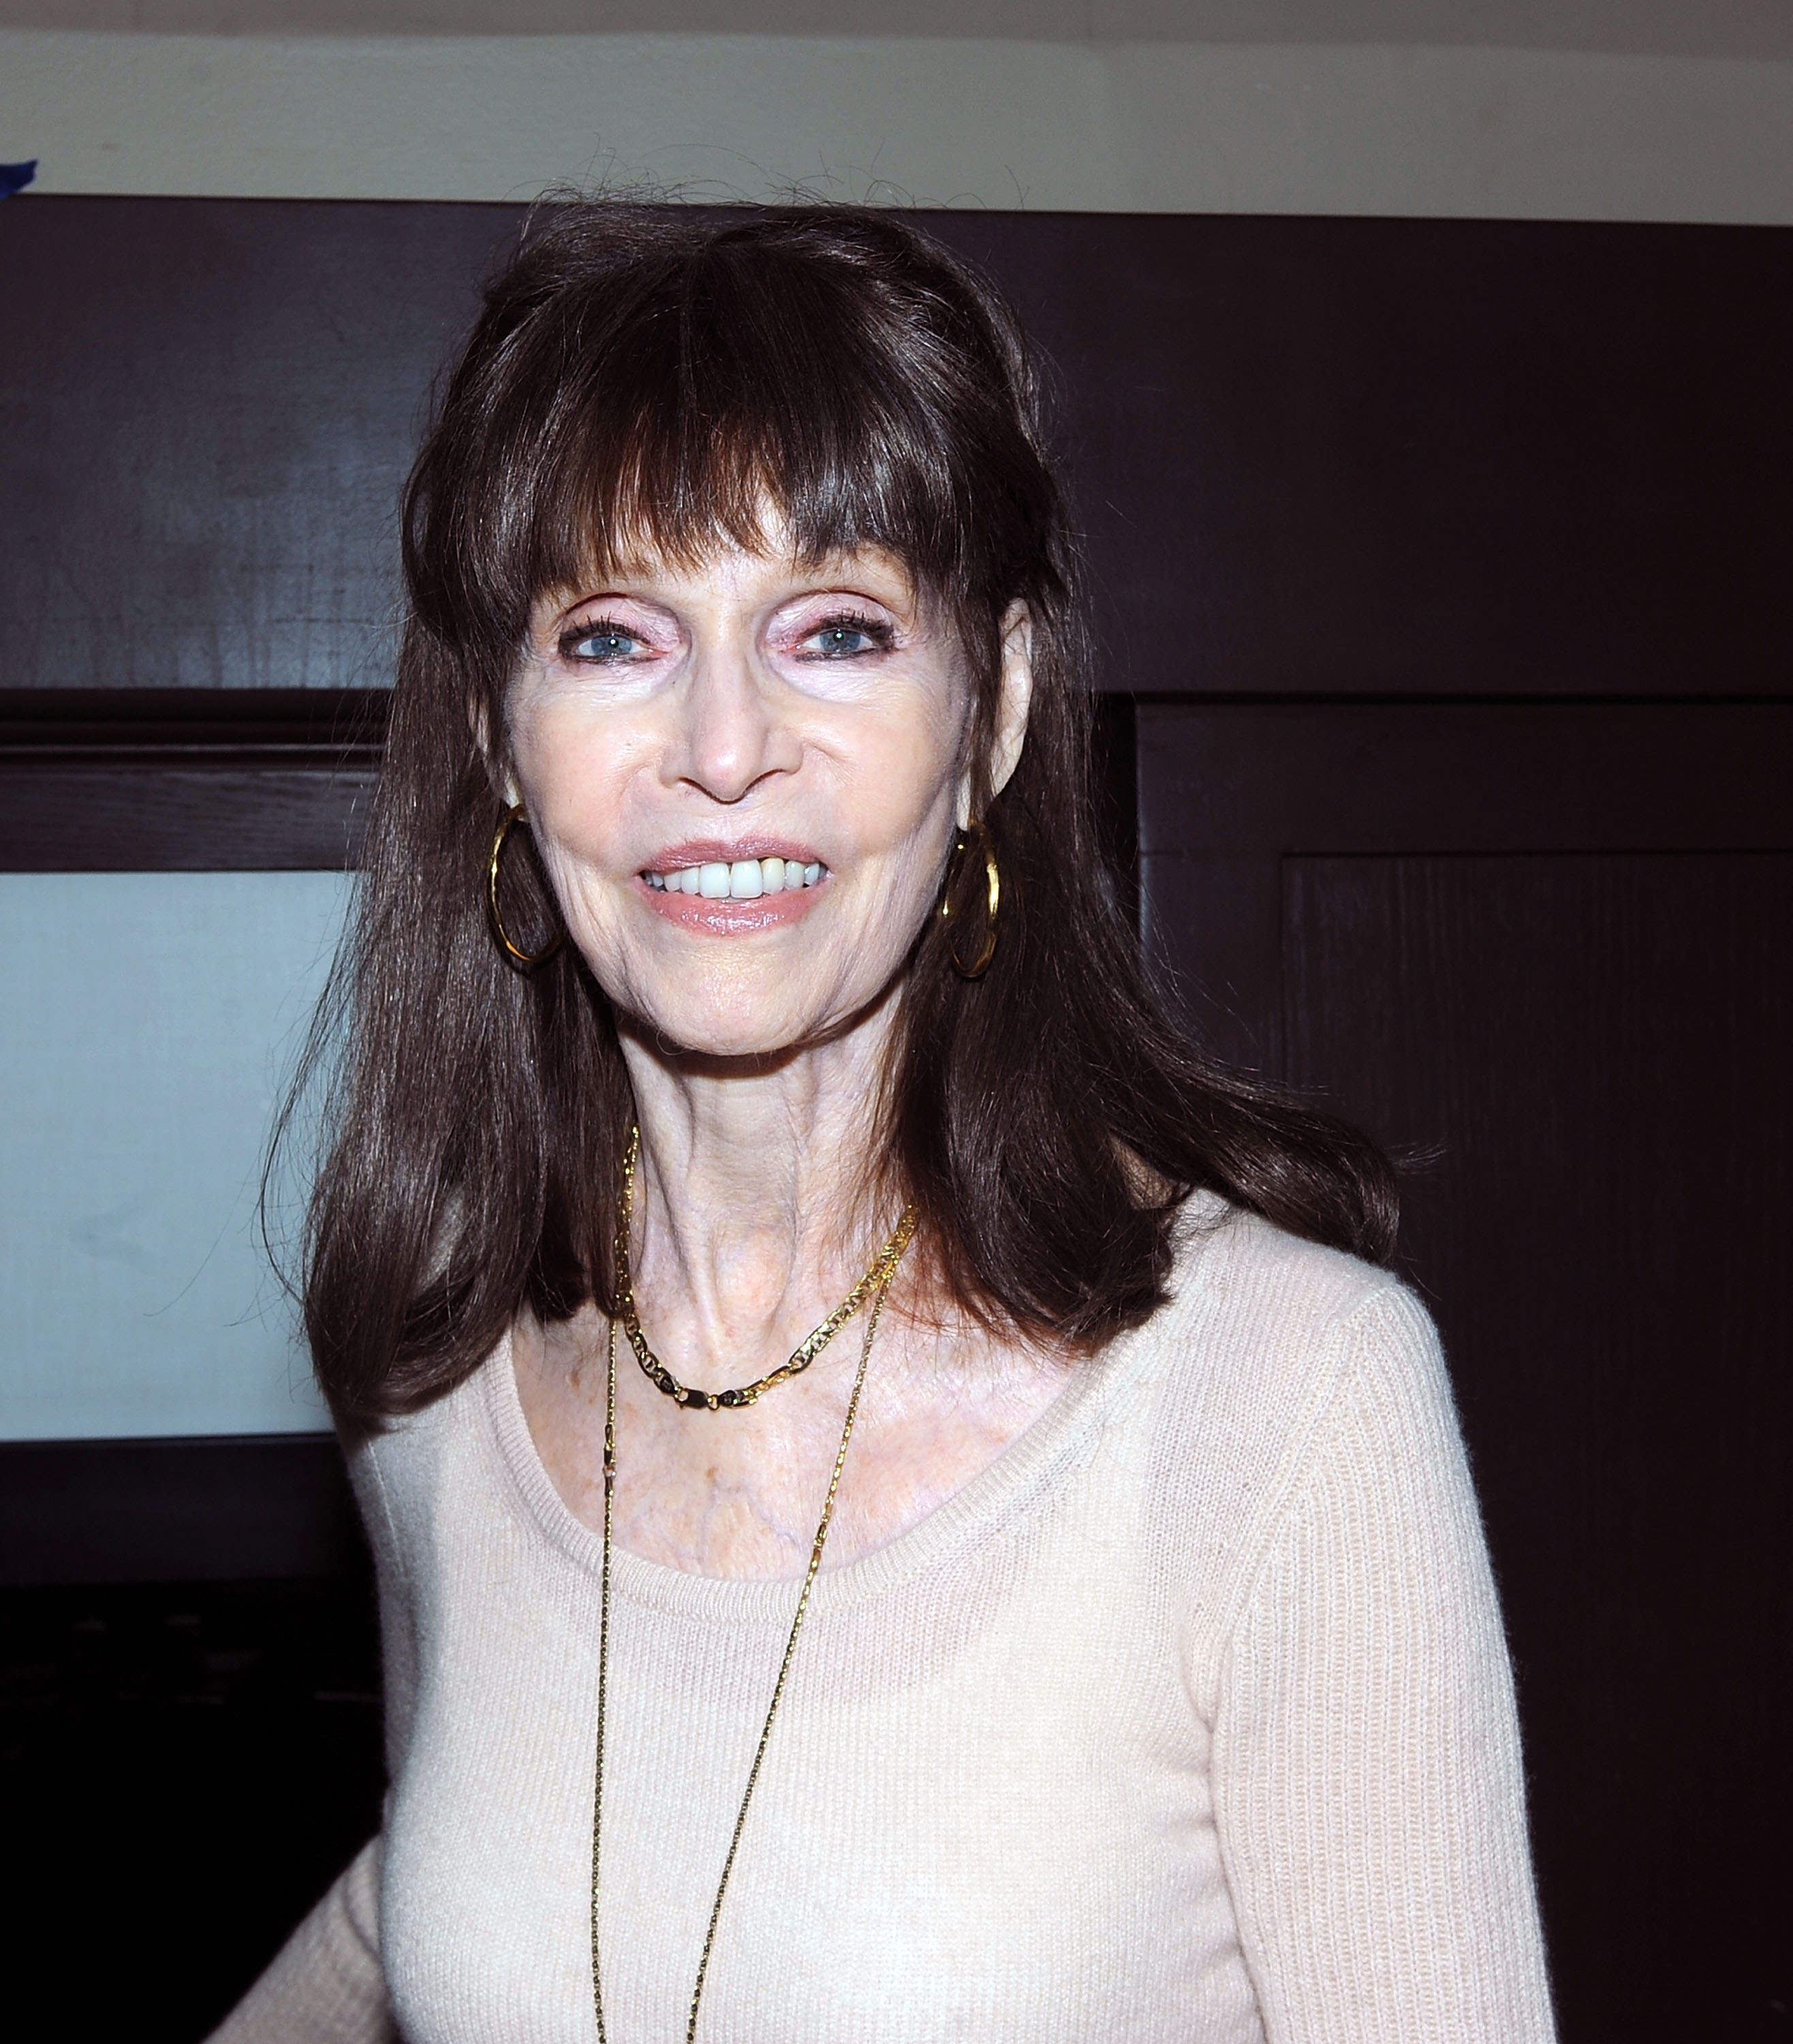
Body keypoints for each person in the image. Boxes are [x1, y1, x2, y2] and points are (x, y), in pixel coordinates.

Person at [211, 204, 1555, 2043]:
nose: (724, 743)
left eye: (834, 630)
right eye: (614, 638)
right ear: (503, 743)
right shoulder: (433, 1399)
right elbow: (434, 1902)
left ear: (990, 708)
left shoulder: (1289, 1407)